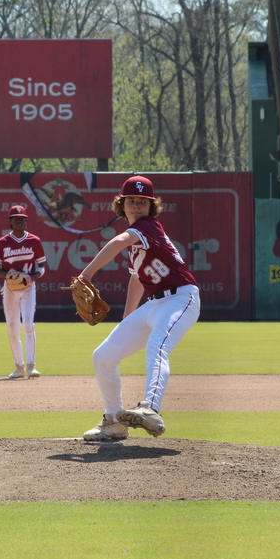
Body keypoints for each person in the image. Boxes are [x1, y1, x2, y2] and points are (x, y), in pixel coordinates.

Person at [78, 175, 201, 441]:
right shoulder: (138, 243)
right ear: (121, 205)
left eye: (142, 201)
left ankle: (150, 408)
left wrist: (86, 275)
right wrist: (127, 320)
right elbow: (136, 278)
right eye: (130, 200)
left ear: (151, 206)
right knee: (103, 356)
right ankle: (113, 421)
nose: (136, 205)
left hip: (181, 298)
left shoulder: (147, 227)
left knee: (157, 345)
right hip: (155, 303)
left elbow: (117, 242)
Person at [0, 205, 46, 379]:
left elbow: (42, 266)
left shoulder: (34, 241)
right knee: (13, 327)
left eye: (22, 218)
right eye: (15, 218)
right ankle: (19, 367)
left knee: (28, 325)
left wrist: (32, 277)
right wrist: (9, 276)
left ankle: (31, 366)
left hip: (28, 288)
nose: (19, 220)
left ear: (26, 221)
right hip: (10, 289)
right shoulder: (3, 242)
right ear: (11, 222)